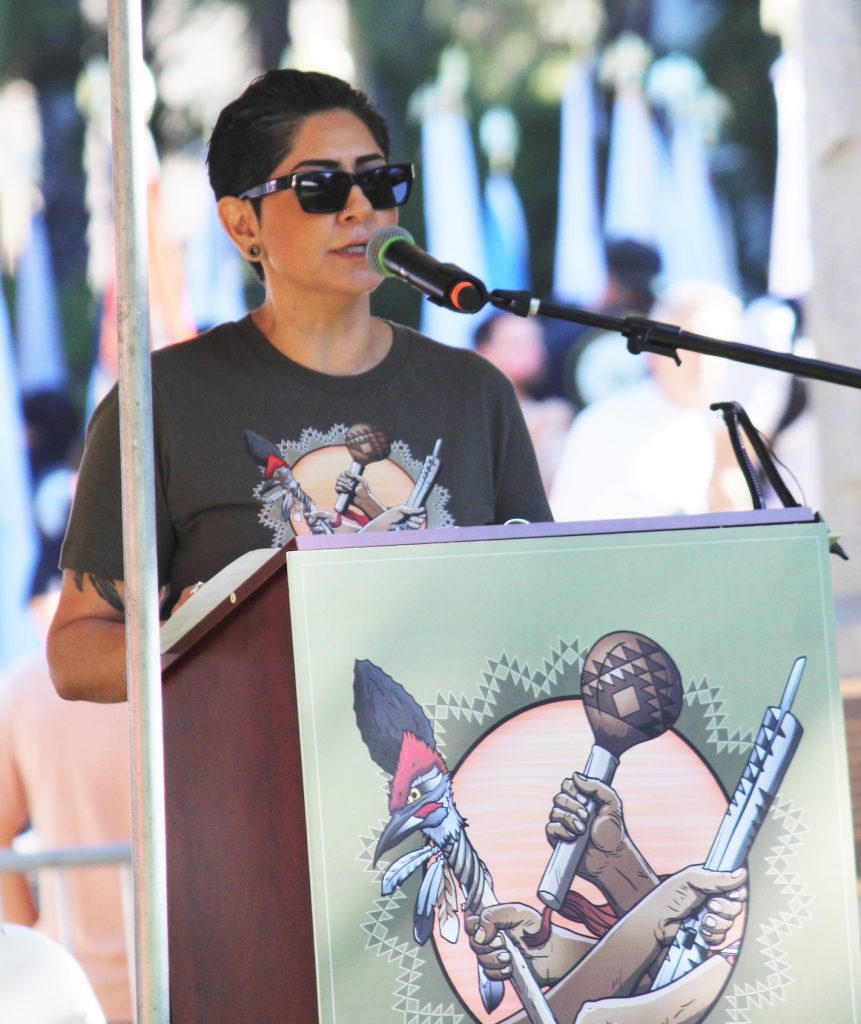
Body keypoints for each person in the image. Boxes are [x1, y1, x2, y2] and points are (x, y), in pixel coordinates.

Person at [47, 69, 551, 703]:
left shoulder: (475, 393)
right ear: (241, 225)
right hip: (251, 782)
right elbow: (74, 653)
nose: (359, 207)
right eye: (320, 187)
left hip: (449, 785)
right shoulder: (161, 402)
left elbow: (543, 608)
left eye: (378, 180)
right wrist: (199, 642)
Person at [0, 592, 133, 1024]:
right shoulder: (194, 658)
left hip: (71, 987)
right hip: (196, 976)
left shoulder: (22, 686)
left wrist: (35, 941)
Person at [550, 280, 748, 522]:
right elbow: (571, 527)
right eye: (692, 347)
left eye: (718, 348)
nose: (703, 361)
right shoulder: (605, 424)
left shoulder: (737, 425)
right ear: (656, 351)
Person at [474, 312, 574, 495]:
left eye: (535, 342)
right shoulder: (465, 417)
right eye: (516, 344)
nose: (531, 351)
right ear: (483, 351)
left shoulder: (557, 414)